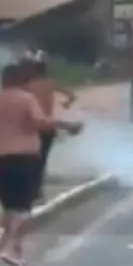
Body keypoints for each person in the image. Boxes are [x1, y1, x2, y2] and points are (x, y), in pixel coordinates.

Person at [0, 63, 82, 266]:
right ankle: (12, 246)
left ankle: (12, 249)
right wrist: (67, 125)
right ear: (21, 81)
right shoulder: (26, 99)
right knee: (24, 208)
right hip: (24, 159)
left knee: (10, 207)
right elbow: (39, 122)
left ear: (3, 80)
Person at [22, 55, 76, 201]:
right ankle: (37, 188)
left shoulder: (27, 86)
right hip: (48, 126)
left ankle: (32, 187)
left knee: (31, 158)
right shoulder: (51, 83)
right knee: (42, 158)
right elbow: (72, 95)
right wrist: (66, 104)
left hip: (32, 126)